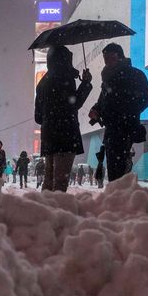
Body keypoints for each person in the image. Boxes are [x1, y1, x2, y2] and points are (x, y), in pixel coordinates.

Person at [88, 43, 148, 182]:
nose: (107, 62)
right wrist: (96, 110)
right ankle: (118, 197)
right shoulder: (107, 77)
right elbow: (103, 100)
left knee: (120, 168)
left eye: (110, 58)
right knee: (114, 168)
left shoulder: (133, 74)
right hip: (111, 127)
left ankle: (122, 198)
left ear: (119, 57)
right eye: (105, 59)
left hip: (126, 127)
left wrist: (131, 110)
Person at [35, 46, 93, 192]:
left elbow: (38, 117)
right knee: (60, 182)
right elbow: (74, 104)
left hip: (48, 138)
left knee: (49, 181)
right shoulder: (65, 78)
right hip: (66, 136)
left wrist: (50, 118)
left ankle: (43, 211)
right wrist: (85, 83)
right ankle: (56, 212)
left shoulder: (42, 83)